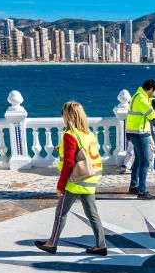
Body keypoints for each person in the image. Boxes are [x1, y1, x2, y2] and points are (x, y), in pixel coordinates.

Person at [36, 101, 107, 256]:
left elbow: (68, 163)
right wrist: (61, 149)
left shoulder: (70, 135)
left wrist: (60, 186)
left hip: (74, 182)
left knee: (60, 214)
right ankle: (101, 245)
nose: (62, 116)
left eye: (63, 113)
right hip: (90, 179)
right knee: (93, 214)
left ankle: (51, 244)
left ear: (69, 116)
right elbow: (83, 153)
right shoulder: (88, 134)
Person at [125, 79, 155, 200]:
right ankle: (142, 191)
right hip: (140, 133)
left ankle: (134, 186)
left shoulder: (138, 96)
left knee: (138, 159)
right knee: (145, 161)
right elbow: (151, 116)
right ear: (150, 89)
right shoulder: (141, 98)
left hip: (134, 132)